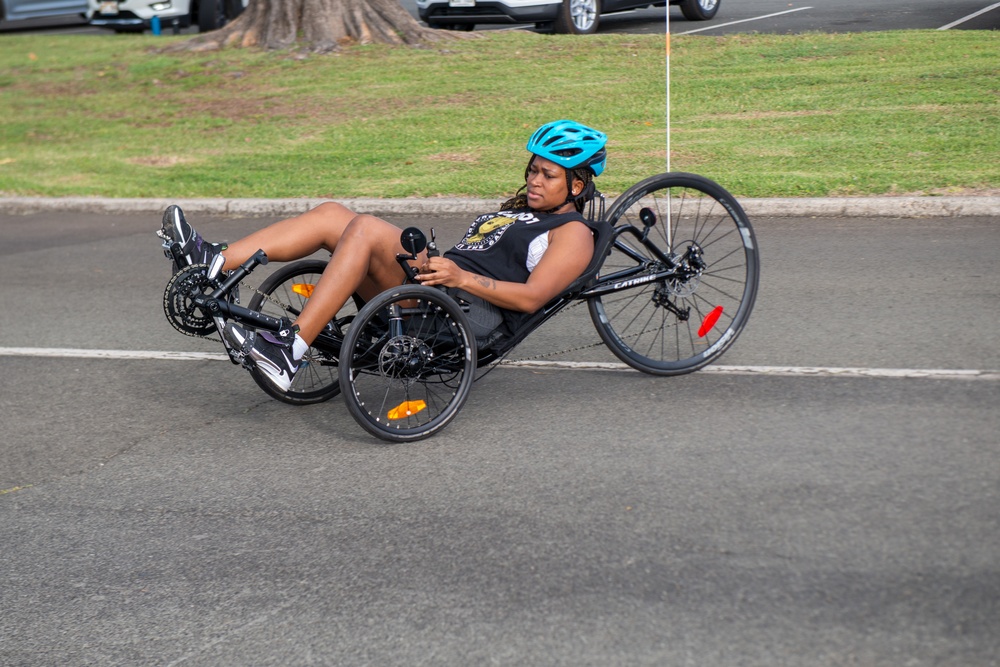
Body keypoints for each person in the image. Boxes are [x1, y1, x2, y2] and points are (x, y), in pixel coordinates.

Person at [160, 119, 608, 392]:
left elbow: (532, 299)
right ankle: (213, 264)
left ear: (575, 186)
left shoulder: (572, 233)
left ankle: (287, 351)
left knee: (367, 228)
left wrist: (459, 277)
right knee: (336, 215)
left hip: (463, 311)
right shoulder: (523, 215)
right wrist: (444, 269)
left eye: (547, 175)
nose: (534, 180)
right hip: (437, 285)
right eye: (532, 169)